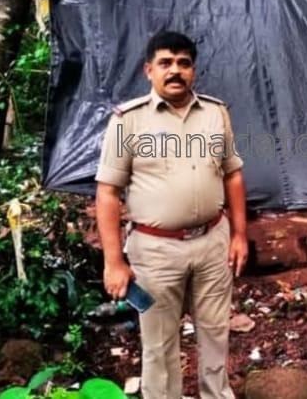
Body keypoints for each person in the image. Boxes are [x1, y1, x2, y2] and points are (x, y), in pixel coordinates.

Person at [95, 31, 248, 399]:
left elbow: (233, 175)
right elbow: (107, 193)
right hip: (155, 252)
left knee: (215, 333)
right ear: (149, 70)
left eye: (183, 63)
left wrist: (239, 235)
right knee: (159, 345)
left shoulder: (215, 113)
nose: (175, 70)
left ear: (193, 70)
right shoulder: (128, 121)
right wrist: (113, 262)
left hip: (213, 243)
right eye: (165, 63)